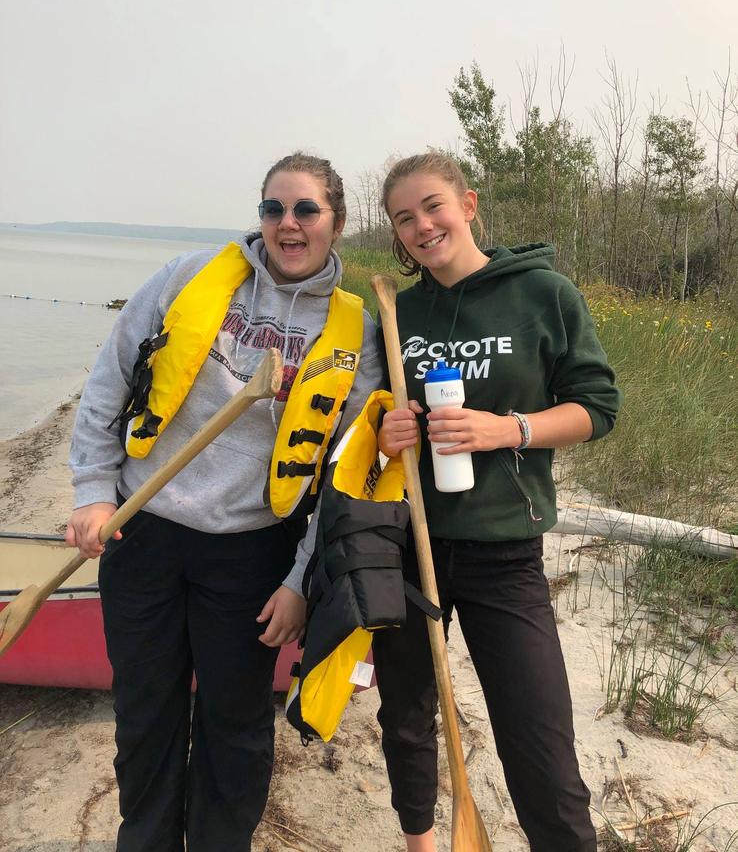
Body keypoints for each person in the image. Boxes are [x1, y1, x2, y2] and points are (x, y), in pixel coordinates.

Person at [65, 152, 383, 852]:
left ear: (335, 223)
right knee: (145, 714)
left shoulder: (355, 331)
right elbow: (109, 379)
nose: (287, 224)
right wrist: (91, 493)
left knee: (234, 726)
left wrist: (300, 581)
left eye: (306, 211)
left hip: (251, 551)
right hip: (141, 530)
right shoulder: (187, 277)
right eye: (273, 209)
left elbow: (343, 479)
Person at [373, 151, 621, 852]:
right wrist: (386, 432)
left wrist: (508, 429)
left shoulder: (543, 293)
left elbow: (597, 408)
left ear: (468, 204)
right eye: (403, 218)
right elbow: (374, 424)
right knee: (407, 715)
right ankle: (423, 842)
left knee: (538, 737)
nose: (422, 226)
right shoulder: (399, 311)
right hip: (409, 541)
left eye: (432, 206)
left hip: (503, 548)